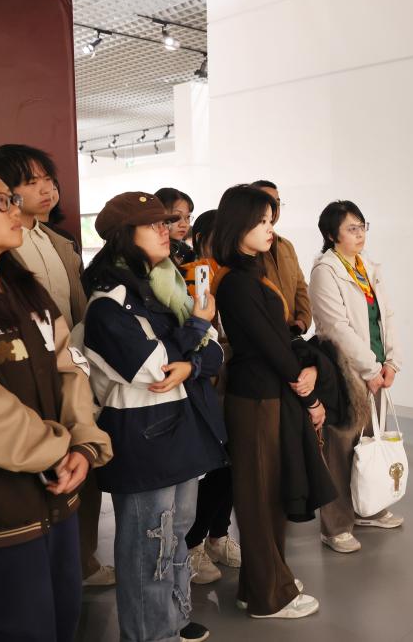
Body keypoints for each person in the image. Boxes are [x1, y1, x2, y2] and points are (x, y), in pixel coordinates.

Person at [0, 161, 112, 642]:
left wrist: (83, 442)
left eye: (13, 200)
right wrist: (57, 450)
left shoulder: (26, 290)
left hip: (56, 502)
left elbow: (70, 364)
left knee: (60, 623)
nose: (14, 210)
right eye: (0, 200)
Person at [80, 192, 227, 642]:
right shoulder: (109, 303)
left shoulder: (166, 290)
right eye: (155, 225)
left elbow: (216, 354)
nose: (167, 231)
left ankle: (173, 621)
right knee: (149, 543)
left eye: (167, 223)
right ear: (124, 236)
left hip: (179, 428)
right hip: (144, 438)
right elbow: (152, 369)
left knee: (175, 533)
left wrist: (192, 361)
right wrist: (196, 330)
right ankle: (148, 633)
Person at [0, 144, 111, 587]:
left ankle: (84, 561)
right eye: (30, 182)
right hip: (23, 375)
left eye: (48, 179)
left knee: (84, 459)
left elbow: (77, 310)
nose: (46, 189)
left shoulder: (60, 242)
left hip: (72, 364)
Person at [212, 185, 335, 620]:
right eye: (262, 221)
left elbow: (280, 336)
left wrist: (306, 372)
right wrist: (309, 392)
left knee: (270, 495)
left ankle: (259, 584)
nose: (271, 228)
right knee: (259, 498)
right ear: (238, 224)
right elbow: (271, 343)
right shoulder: (236, 282)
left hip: (268, 393)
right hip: (255, 398)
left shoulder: (252, 272)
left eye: (271, 219)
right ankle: (269, 596)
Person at [309, 200, 404, 554]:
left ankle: (370, 507)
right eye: (352, 228)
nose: (360, 233)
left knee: (370, 441)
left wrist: (391, 361)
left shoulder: (367, 267)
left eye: (363, 226)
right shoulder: (326, 270)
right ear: (331, 234)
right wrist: (370, 369)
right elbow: (336, 327)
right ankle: (335, 526)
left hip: (375, 369)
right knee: (341, 447)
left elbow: (386, 316)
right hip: (345, 371)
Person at [178, 210, 240, 585]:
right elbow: (195, 331)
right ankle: (193, 544)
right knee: (210, 466)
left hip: (234, 379)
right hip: (205, 380)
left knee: (231, 463)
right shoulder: (192, 272)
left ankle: (218, 535)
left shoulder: (237, 272)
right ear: (203, 238)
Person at [250, 180, 312, 334]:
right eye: (267, 201)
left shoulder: (286, 246)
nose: (274, 207)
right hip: (264, 334)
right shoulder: (248, 248)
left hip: (293, 334)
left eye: (277, 202)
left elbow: (301, 287)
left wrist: (303, 321)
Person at [155, 187, 196, 267]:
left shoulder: (188, 252)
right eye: (176, 216)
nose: (184, 224)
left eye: (188, 217)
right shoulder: (151, 251)